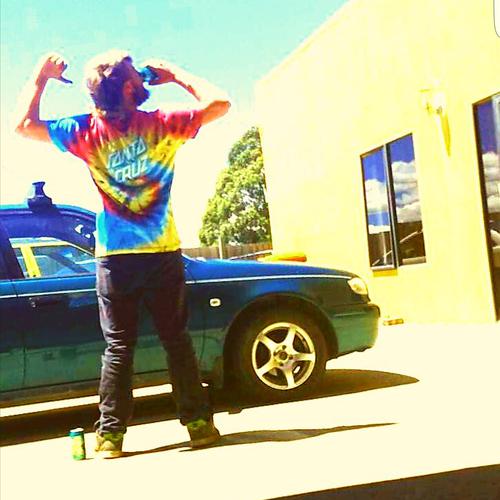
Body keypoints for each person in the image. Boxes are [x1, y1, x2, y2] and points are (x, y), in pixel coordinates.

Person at [15, 50, 231, 458]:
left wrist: (41, 77)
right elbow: (220, 103)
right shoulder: (163, 123)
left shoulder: (84, 131)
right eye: (135, 71)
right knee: (176, 341)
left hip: (115, 258)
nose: (141, 73)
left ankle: (111, 436)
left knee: (119, 348)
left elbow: (24, 126)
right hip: (161, 251)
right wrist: (175, 73)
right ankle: (199, 425)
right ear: (131, 88)